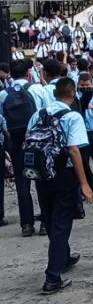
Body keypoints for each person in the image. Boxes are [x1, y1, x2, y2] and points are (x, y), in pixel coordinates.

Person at [28, 77, 93, 294]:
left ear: (55, 93)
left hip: (40, 174)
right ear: (73, 94)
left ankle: (62, 257)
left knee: (50, 219)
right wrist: (84, 183)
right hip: (63, 175)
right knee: (61, 223)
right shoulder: (72, 116)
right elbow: (74, 150)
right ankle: (53, 276)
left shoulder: (38, 115)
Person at [0, 61, 49, 237]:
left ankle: (26, 224)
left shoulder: (4, 95)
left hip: (15, 142)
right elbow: (48, 113)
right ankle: (45, 221)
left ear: (10, 75)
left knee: (22, 184)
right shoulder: (38, 90)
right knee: (42, 180)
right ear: (28, 73)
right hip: (37, 141)